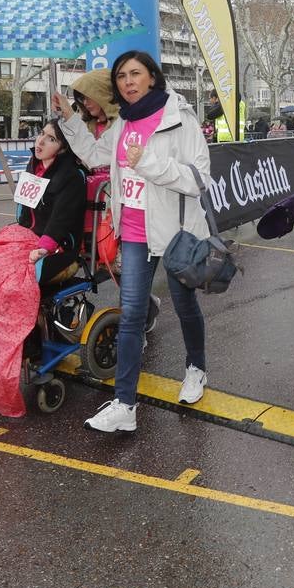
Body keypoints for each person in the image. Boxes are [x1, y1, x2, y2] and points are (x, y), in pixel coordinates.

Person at [57, 50, 212, 433]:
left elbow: (198, 179)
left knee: (184, 303)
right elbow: (95, 155)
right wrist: (71, 121)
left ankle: (196, 368)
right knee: (130, 317)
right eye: (122, 76)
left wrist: (148, 164)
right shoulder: (123, 124)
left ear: (152, 78)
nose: (128, 81)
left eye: (135, 73)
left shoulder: (180, 118)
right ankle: (125, 405)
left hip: (173, 232)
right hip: (135, 232)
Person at [18, 120, 88, 287]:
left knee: (12, 275)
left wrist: (43, 248)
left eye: (51, 139)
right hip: (29, 238)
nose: (40, 141)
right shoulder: (33, 166)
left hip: (58, 246)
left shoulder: (72, 176)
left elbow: (61, 219)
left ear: (63, 147)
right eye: (41, 133)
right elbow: (24, 212)